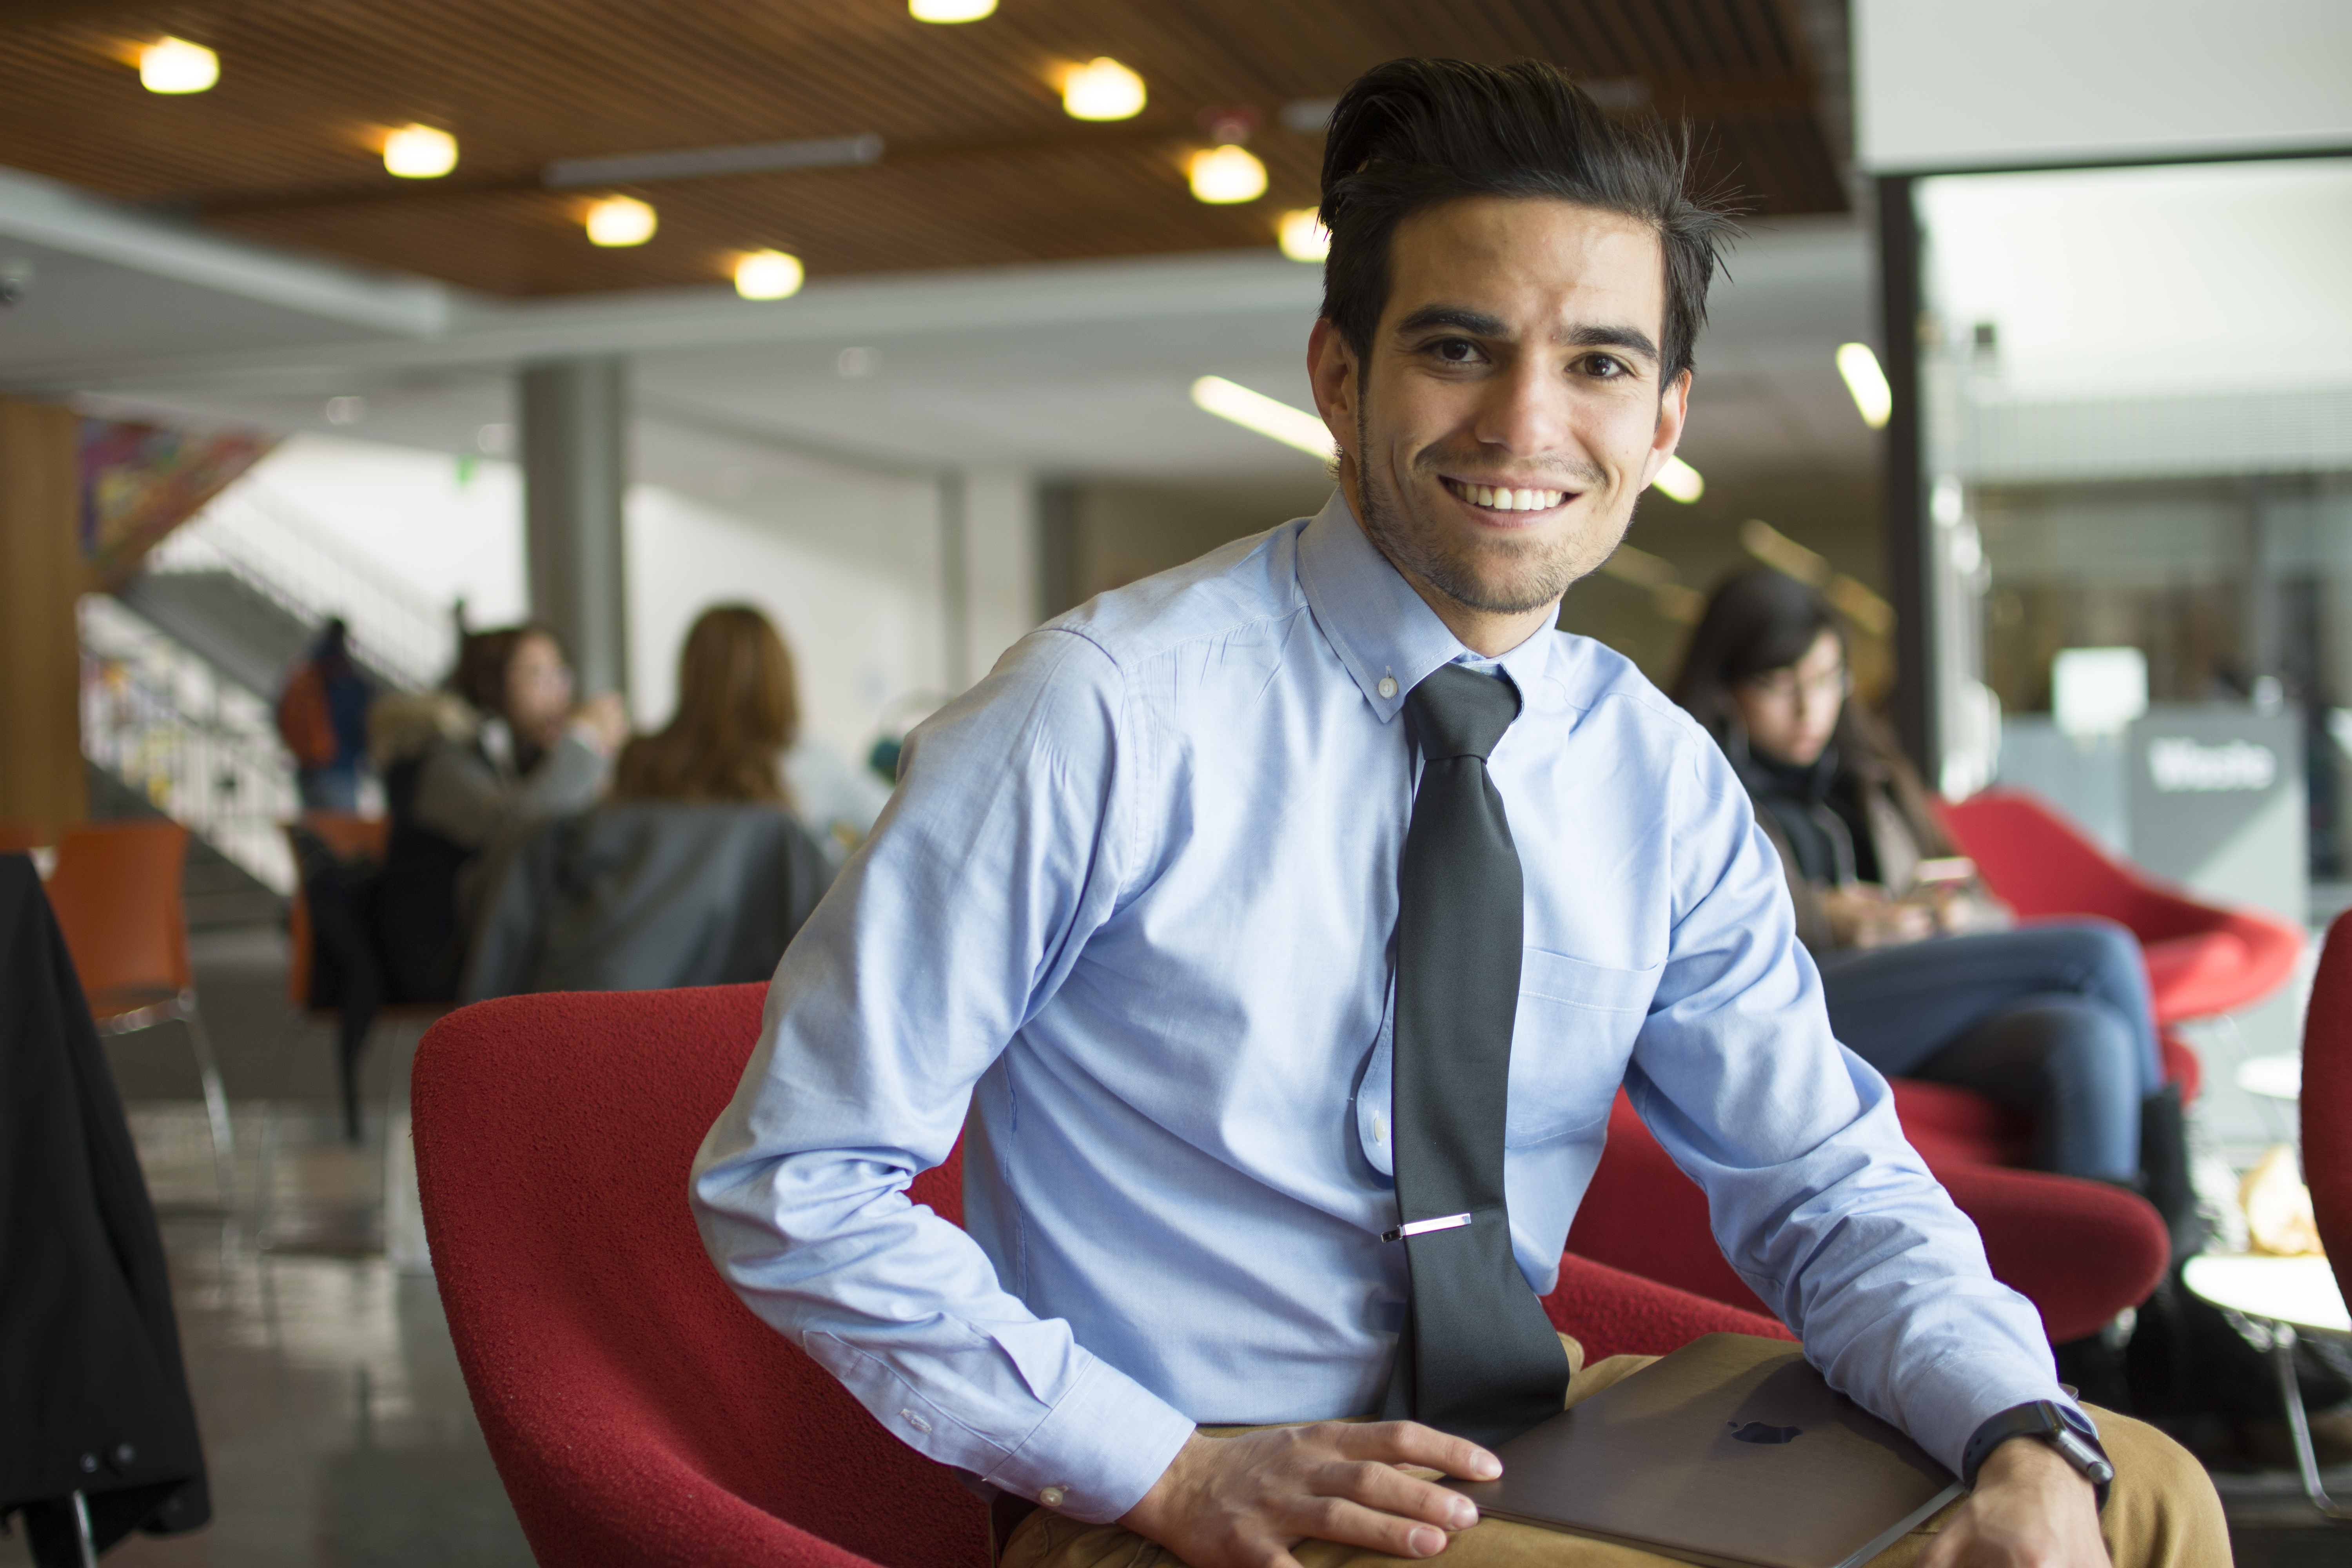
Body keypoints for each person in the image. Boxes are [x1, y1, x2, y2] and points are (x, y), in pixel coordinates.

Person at [692, 58, 2222, 1568]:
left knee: (2125, 1489)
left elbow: (1823, 1179)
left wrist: (2020, 1429)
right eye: (1459, 347)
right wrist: (1155, 1464)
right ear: (1340, 375)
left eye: (1602, 365)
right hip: (1199, 1488)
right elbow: (794, 1178)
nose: (1526, 422)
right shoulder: (1101, 712)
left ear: (1667, 421)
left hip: (1527, 1442)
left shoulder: (1653, 770)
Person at [1668, 568, 2168, 1187]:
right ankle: (2176, 1213)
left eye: (1827, 680)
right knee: (2100, 954)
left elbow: (1984, 900)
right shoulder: (1693, 784)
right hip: (1795, 1009)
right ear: (1724, 689)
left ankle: (2128, 1274)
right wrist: (1831, 919)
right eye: (1779, 684)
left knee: (2088, 1038)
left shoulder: (1872, 771)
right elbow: (1705, 941)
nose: (1810, 708)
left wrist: (1951, 914)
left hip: (1911, 1000)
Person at [370, 622, 624, 1003]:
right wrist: (581, 743)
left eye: (561, 674)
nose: (558, 691)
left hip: (493, 939)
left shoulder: (514, 762)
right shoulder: (439, 760)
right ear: (491, 685)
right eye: (538, 675)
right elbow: (515, 829)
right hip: (446, 957)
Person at [611, 603, 890, 859]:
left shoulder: (640, 760)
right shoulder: (807, 758)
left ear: (691, 671)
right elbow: (903, 826)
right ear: (779, 676)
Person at [276, 616, 374, 813]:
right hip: (339, 765)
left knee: (315, 833)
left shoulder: (305, 670)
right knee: (344, 835)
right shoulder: (344, 674)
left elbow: (280, 710)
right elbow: (359, 720)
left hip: (307, 766)